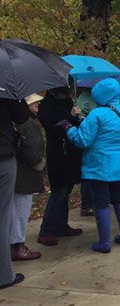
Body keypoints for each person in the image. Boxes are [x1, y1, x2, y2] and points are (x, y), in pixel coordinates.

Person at [61, 79, 120, 252]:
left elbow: (83, 140)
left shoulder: (96, 114)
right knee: (119, 199)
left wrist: (68, 128)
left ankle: (104, 242)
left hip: (99, 166)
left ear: (98, 95)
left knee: (101, 203)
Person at [37, 88, 83, 247]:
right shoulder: (46, 106)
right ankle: (46, 230)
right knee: (59, 191)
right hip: (58, 153)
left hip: (71, 152)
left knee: (66, 190)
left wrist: (76, 117)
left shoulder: (67, 101)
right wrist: (69, 119)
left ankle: (61, 225)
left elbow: (73, 123)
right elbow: (52, 128)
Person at [10, 94, 45, 261]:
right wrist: (38, 162)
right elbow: (30, 146)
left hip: (22, 173)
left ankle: (16, 244)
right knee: (20, 210)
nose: (38, 103)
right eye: (34, 101)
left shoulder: (25, 120)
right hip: (24, 174)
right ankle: (17, 245)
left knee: (18, 210)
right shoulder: (24, 122)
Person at [0, 98, 29, 289]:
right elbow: (22, 115)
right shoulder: (4, 85)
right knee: (2, 216)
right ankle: (4, 275)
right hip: (2, 156)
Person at [76, 89, 96, 217]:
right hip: (89, 138)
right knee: (89, 174)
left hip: (84, 137)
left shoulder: (82, 97)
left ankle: (88, 204)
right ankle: (87, 205)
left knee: (88, 173)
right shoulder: (89, 99)